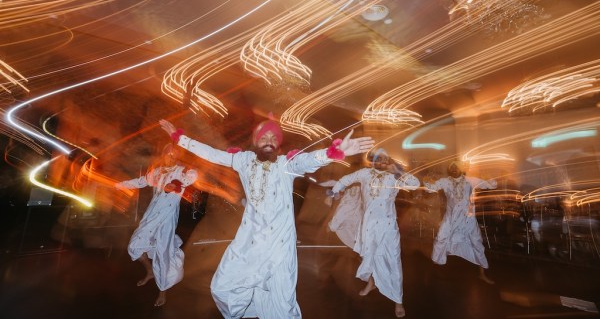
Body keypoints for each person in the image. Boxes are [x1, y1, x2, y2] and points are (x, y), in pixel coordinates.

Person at [159, 117, 374, 319]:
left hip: (278, 247)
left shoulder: (285, 165)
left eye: (274, 139)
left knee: (281, 305)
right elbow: (212, 154)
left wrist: (332, 153)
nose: (269, 141)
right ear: (255, 141)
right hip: (248, 243)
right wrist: (181, 139)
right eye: (264, 137)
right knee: (222, 287)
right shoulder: (243, 160)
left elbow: (306, 162)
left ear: (278, 145)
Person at [325, 148, 420, 318]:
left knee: (393, 260)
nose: (382, 162)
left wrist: (398, 171)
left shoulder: (394, 176)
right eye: (378, 159)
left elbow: (415, 183)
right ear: (372, 161)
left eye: (385, 159)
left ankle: (398, 300)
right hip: (368, 225)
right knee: (367, 255)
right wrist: (332, 192)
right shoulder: (364, 173)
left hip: (388, 226)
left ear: (389, 160)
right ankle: (371, 283)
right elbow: (345, 180)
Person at [116, 143, 198, 306]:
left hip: (167, 220)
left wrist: (187, 169)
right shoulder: (158, 172)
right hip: (150, 217)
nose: (171, 157)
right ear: (163, 154)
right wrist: (120, 184)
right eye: (168, 153)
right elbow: (140, 181)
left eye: (174, 155)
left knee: (162, 254)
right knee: (134, 246)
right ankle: (150, 271)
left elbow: (192, 176)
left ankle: (162, 291)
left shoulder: (181, 172)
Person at [423, 160, 497, 284]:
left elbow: (491, 185)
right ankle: (435, 268)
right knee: (441, 240)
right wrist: (426, 180)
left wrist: (488, 178)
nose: (453, 169)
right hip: (450, 219)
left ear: (461, 169)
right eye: (451, 167)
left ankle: (482, 273)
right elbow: (430, 188)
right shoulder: (445, 181)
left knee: (476, 243)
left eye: (456, 167)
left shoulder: (470, 180)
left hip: (467, 219)